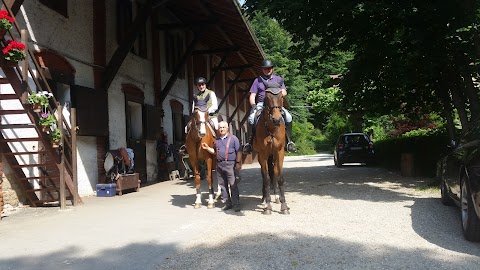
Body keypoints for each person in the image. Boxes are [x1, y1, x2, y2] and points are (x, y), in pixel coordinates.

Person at [243, 59, 296, 153]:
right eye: (265, 69)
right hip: (261, 104)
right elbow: (252, 96)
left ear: (272, 69)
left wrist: (276, 95)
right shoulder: (257, 81)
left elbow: (284, 92)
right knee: (251, 118)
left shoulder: (278, 80)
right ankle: (249, 143)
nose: (267, 70)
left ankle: (289, 142)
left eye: (269, 68)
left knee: (288, 117)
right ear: (262, 69)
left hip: (276, 104)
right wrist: (254, 105)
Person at [201, 121, 243, 212]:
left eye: (223, 127)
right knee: (223, 185)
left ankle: (236, 204)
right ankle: (228, 203)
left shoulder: (233, 139)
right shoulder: (217, 141)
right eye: (220, 128)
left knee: (233, 184)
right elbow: (215, 152)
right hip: (219, 165)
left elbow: (239, 151)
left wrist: (238, 163)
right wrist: (207, 148)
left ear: (227, 128)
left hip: (230, 164)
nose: (222, 129)